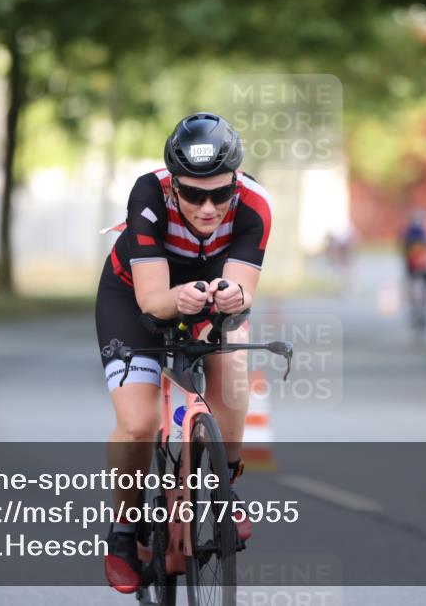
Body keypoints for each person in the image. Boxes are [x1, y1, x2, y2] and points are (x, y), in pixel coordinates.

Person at [96, 112, 271, 593]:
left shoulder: (256, 206)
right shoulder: (147, 195)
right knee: (135, 421)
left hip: (206, 300)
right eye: (194, 193)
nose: (209, 207)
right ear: (174, 186)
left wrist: (233, 298)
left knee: (234, 364)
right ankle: (124, 533)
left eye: (221, 193)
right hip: (135, 299)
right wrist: (179, 299)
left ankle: (223, 487)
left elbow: (241, 288)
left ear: (237, 183)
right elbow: (154, 300)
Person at [402, 209, 426, 328]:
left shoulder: (409, 232)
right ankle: (424, 309)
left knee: (412, 283)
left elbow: (403, 248)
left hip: (412, 263)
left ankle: (415, 306)